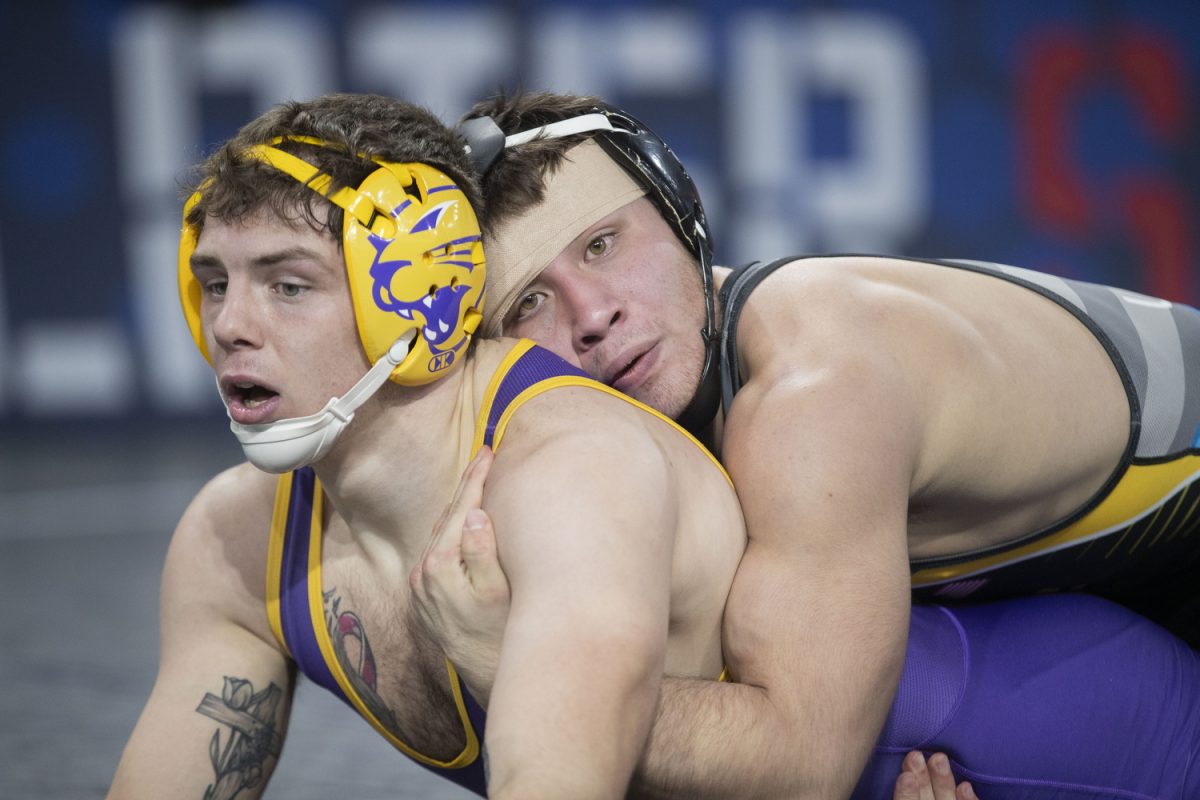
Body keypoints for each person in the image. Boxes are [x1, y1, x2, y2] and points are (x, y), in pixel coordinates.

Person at [409, 90, 1200, 798]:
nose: (591, 314)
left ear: (681, 211)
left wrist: (521, 673)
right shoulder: (643, 426)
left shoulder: (812, 393)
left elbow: (801, 766)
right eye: (532, 301)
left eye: (602, 246)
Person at [107, 91, 754, 799]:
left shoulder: (573, 478)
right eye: (215, 284)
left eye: (288, 286)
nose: (230, 325)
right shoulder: (233, 541)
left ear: (423, 301)